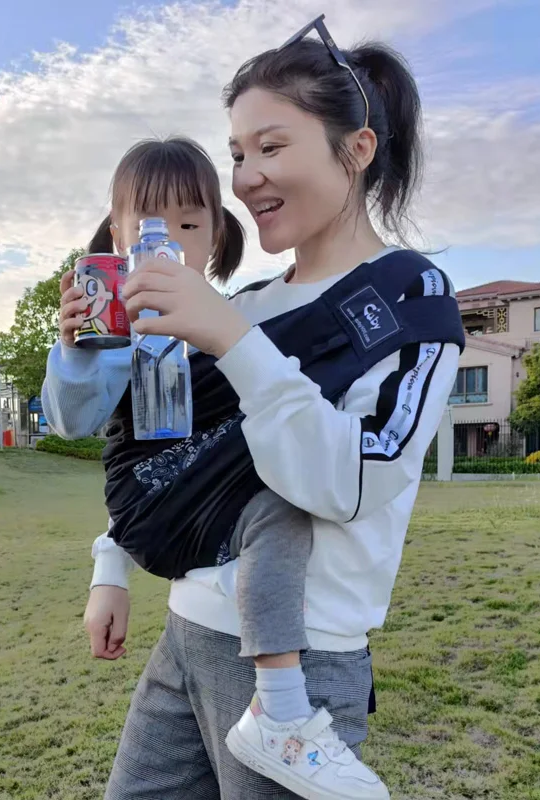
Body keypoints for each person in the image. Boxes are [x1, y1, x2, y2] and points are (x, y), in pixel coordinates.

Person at [45, 17, 462, 800]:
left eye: (271, 148)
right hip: (186, 634)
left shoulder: (411, 298)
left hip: (300, 668)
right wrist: (112, 563)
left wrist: (236, 340)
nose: (244, 179)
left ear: (358, 149)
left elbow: (354, 485)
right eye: (237, 155)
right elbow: (166, 456)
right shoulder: (245, 304)